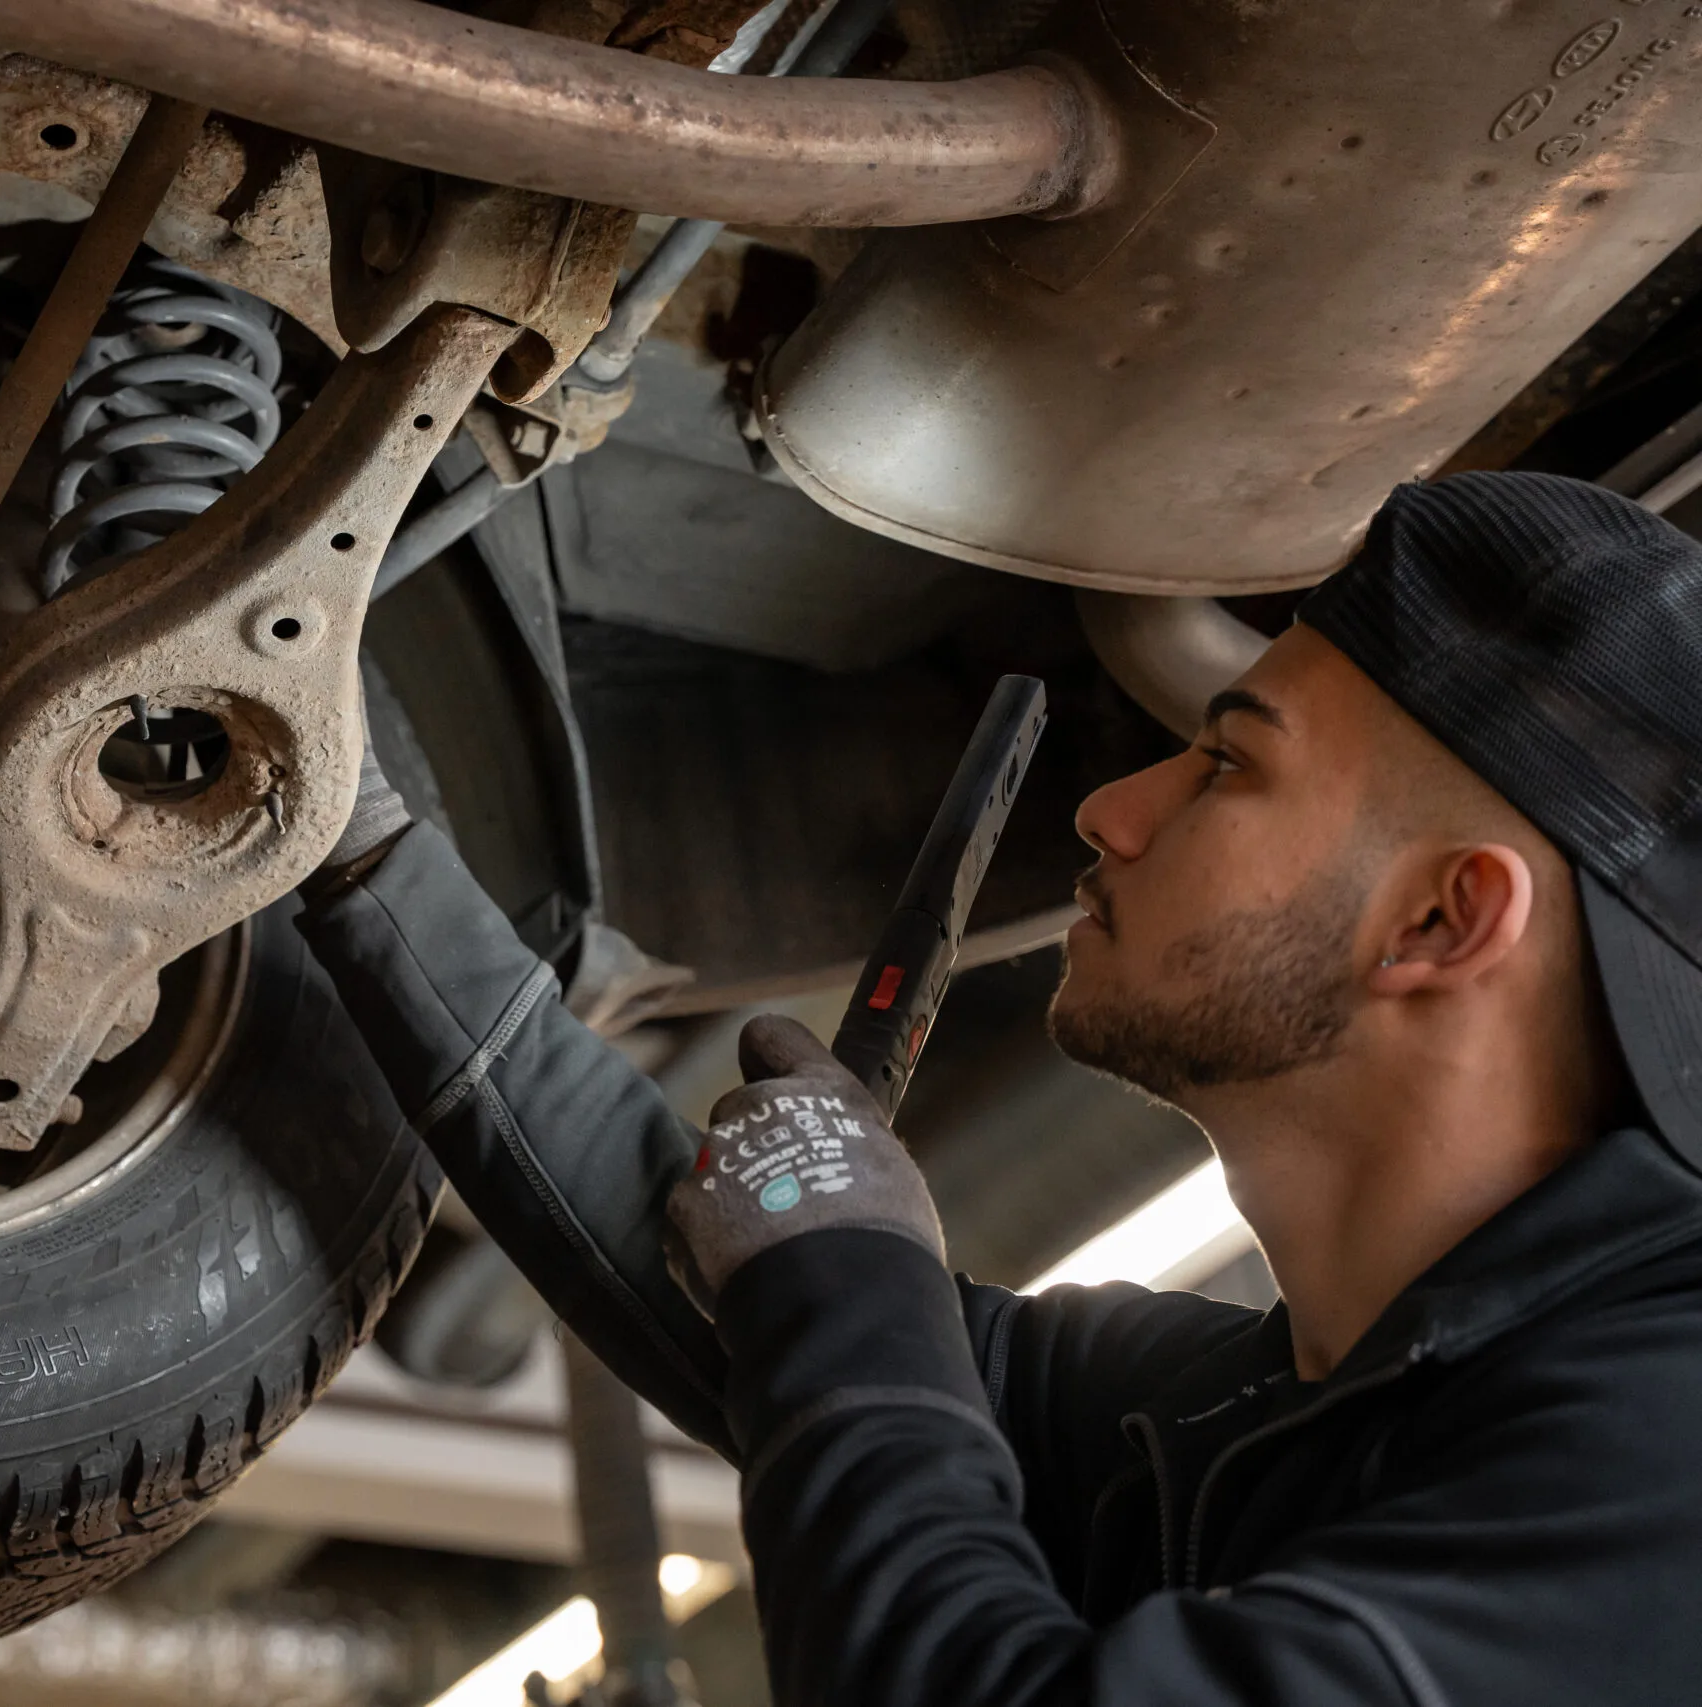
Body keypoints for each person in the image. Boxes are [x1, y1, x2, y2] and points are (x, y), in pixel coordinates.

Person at [293, 471, 1702, 1705]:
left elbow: (854, 1353)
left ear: (1443, 923)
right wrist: (348, 832)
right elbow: (767, 1308)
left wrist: (844, 1277)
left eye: (1228, 761)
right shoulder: (1284, 1418)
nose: (1112, 808)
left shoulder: (1667, 1461)